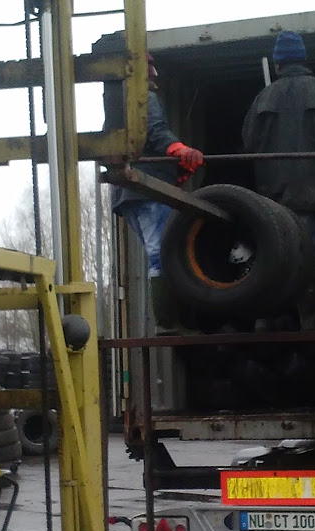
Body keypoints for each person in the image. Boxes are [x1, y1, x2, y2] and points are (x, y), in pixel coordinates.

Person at [242, 30, 315, 329]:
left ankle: (265, 323)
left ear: (278, 64)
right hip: (312, 193)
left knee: (272, 257)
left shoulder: (262, 97)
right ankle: (310, 324)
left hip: (270, 198)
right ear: (304, 59)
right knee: (309, 259)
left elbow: (248, 143)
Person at [111, 52, 205, 334]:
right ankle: (169, 323)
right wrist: (180, 151)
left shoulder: (117, 105)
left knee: (160, 253)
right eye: (149, 68)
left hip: (129, 194)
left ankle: (170, 321)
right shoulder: (142, 99)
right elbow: (155, 132)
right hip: (147, 190)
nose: (154, 74)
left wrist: (175, 169)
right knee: (162, 255)